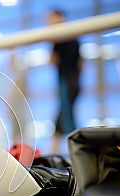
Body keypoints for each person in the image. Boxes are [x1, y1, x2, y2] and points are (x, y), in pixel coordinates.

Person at [46, 9, 82, 152]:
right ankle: (54, 150)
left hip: (66, 81)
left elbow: (52, 60)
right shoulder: (73, 37)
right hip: (73, 81)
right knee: (63, 115)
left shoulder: (60, 37)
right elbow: (80, 64)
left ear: (58, 17)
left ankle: (76, 150)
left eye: (50, 18)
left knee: (67, 117)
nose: (48, 22)